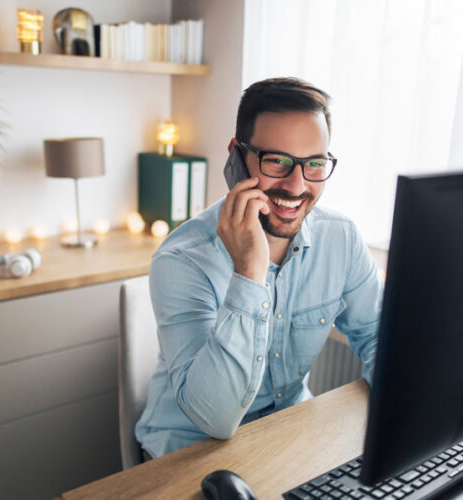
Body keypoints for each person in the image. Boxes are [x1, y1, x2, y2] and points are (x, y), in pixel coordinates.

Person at [135, 77, 383, 459]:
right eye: (277, 161)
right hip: (188, 451)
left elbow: (378, 335)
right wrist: (249, 271)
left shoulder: (342, 239)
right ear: (236, 156)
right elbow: (215, 421)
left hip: (288, 435)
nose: (297, 185)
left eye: (314, 164)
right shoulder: (182, 258)